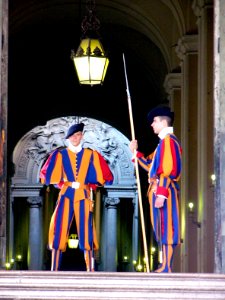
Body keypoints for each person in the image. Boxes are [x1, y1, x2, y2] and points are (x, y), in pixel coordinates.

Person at [40, 122, 114, 271]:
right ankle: (54, 268)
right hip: (66, 195)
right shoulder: (59, 155)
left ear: (82, 136)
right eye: (72, 135)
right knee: (59, 228)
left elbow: (105, 176)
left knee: (87, 230)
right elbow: (47, 175)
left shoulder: (92, 155)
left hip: (84, 196)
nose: (75, 138)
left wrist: (90, 185)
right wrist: (63, 183)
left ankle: (90, 268)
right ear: (68, 138)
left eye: (78, 134)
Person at [129, 106, 182, 273]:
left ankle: (166, 266)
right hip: (159, 190)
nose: (152, 124)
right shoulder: (163, 143)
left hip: (163, 191)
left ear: (162, 121)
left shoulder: (168, 142)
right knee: (161, 227)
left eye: (154, 121)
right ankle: (164, 264)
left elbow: (168, 169)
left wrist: (161, 194)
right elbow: (151, 166)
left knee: (167, 227)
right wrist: (135, 153)